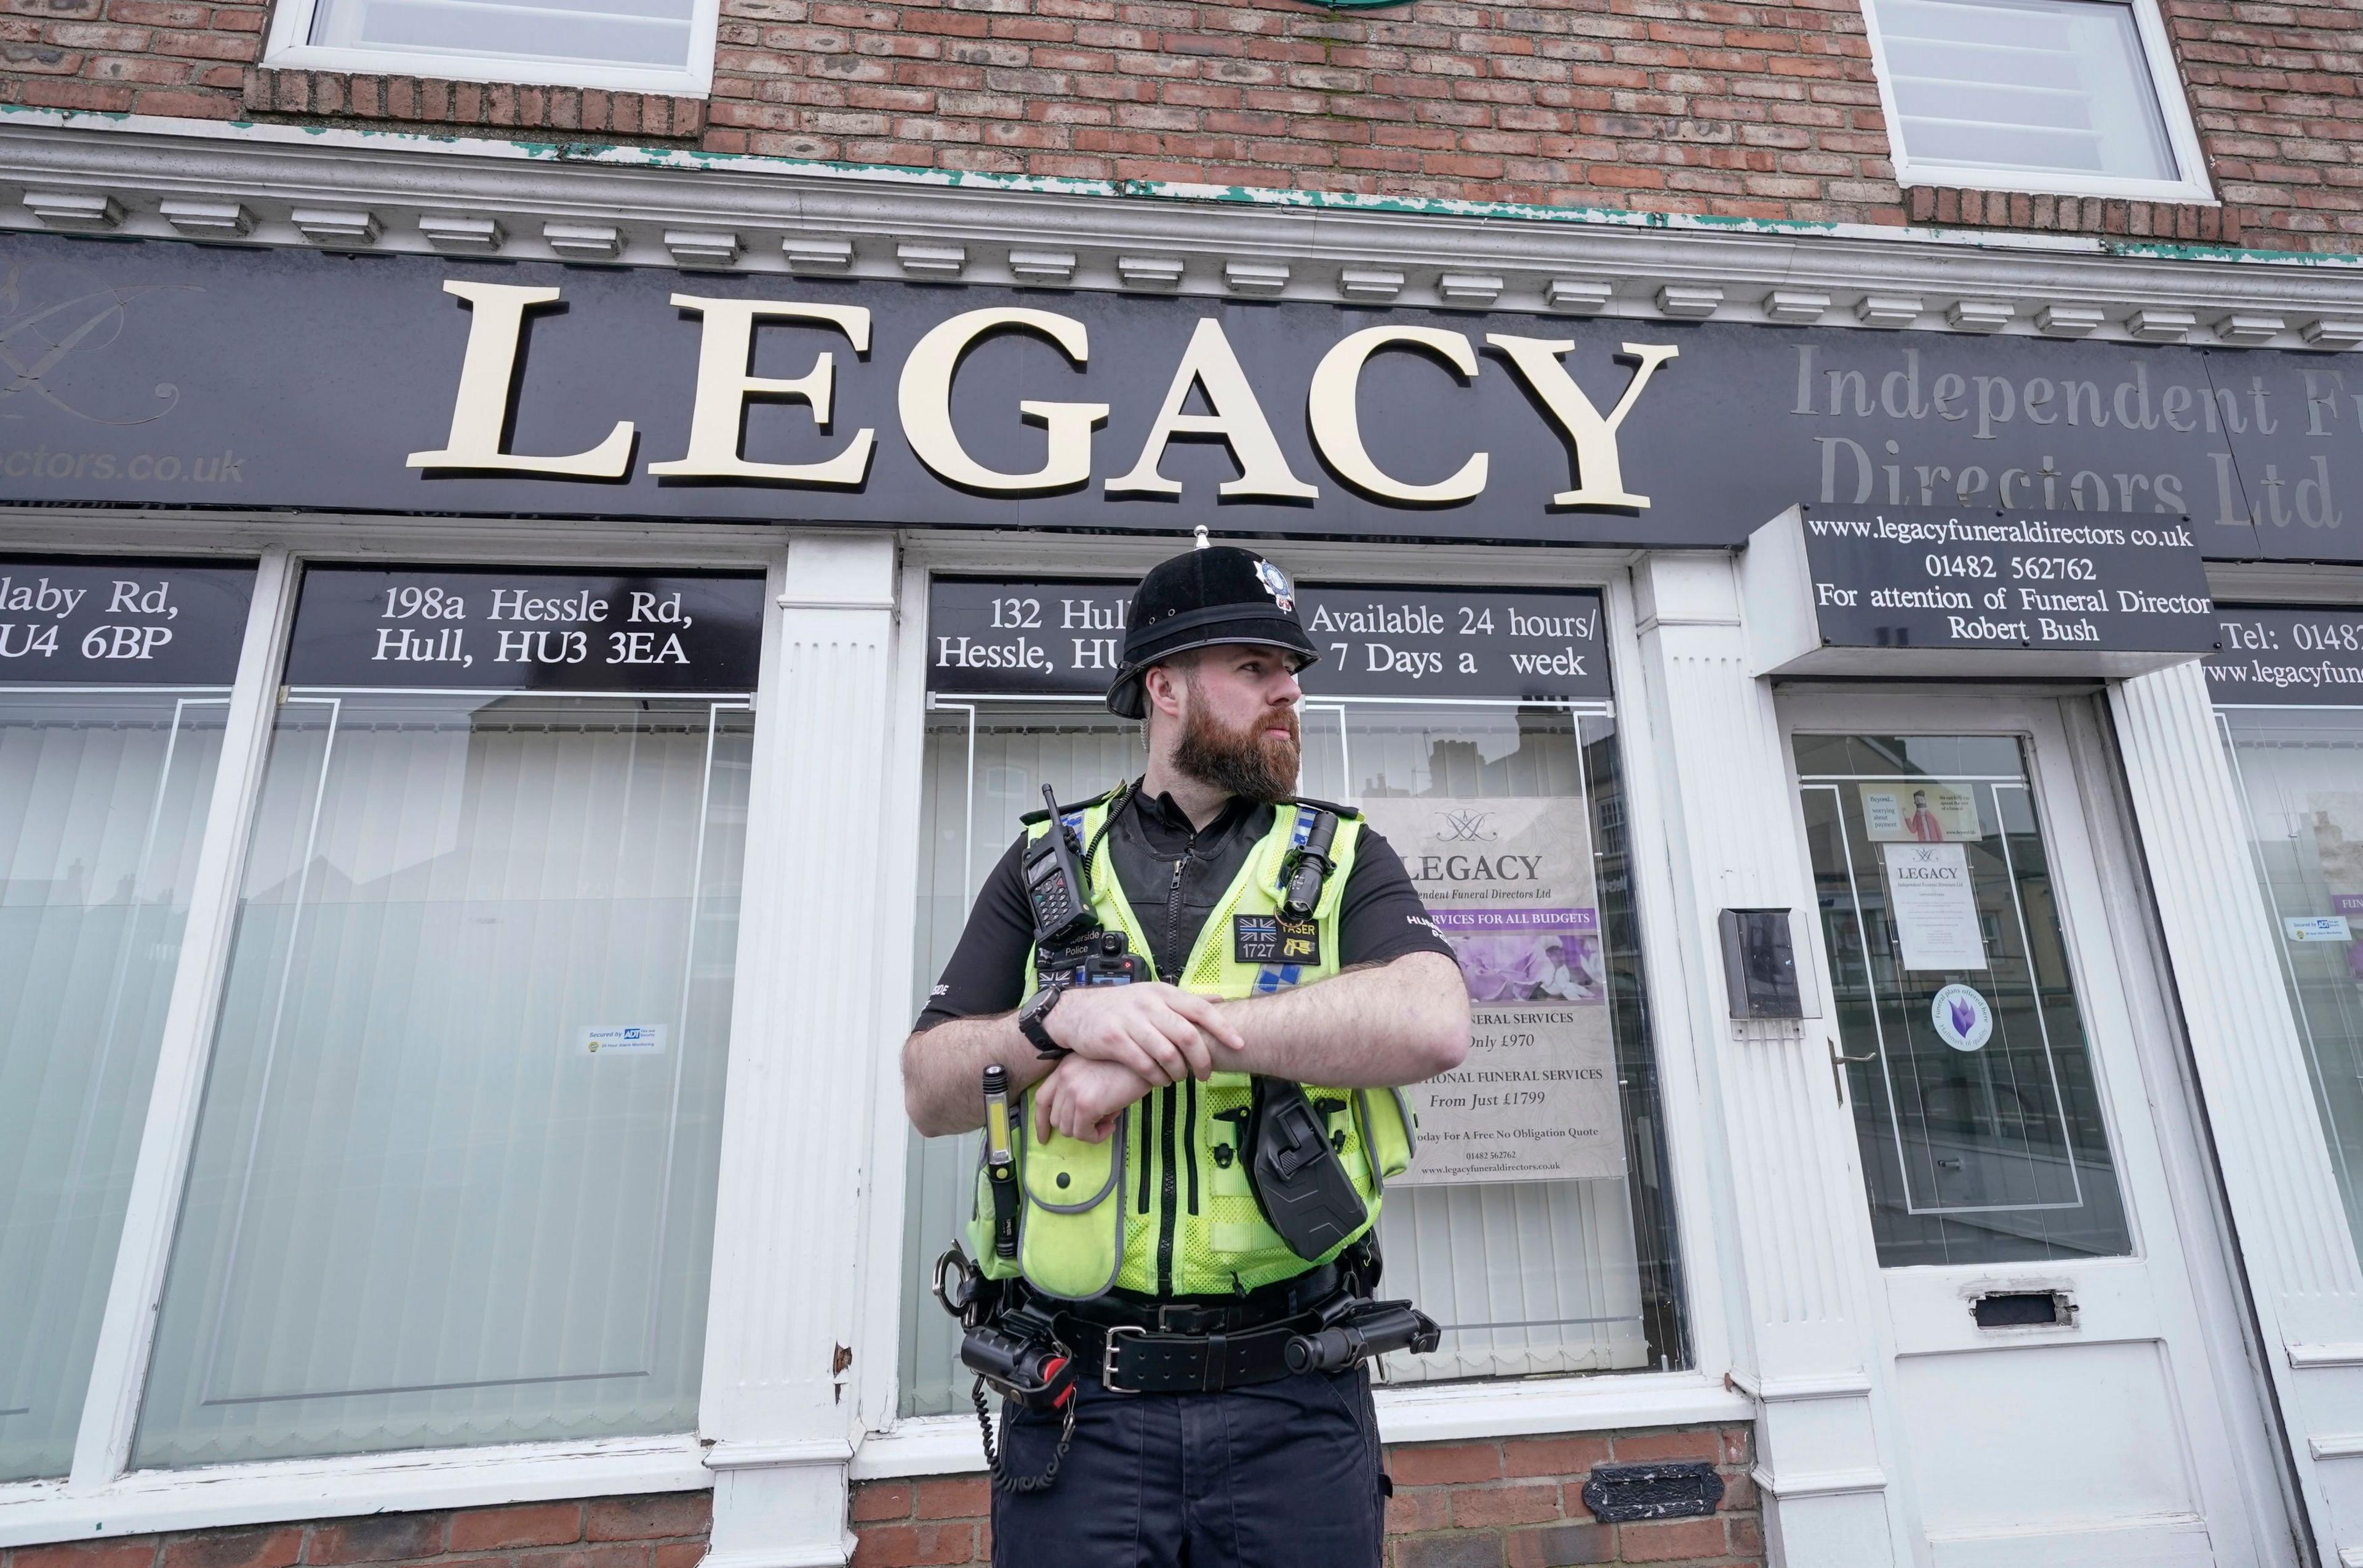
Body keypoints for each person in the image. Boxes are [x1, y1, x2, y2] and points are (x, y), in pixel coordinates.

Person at [902, 540, 1471, 1568]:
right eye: (1255, 666)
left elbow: (1433, 1019)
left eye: (1290, 669)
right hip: (1080, 1409)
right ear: (1163, 686)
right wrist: (1052, 1024)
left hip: (1295, 1401)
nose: (1288, 690)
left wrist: (1160, 1044)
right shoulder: (1045, 860)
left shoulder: (1342, 855)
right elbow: (930, 1089)